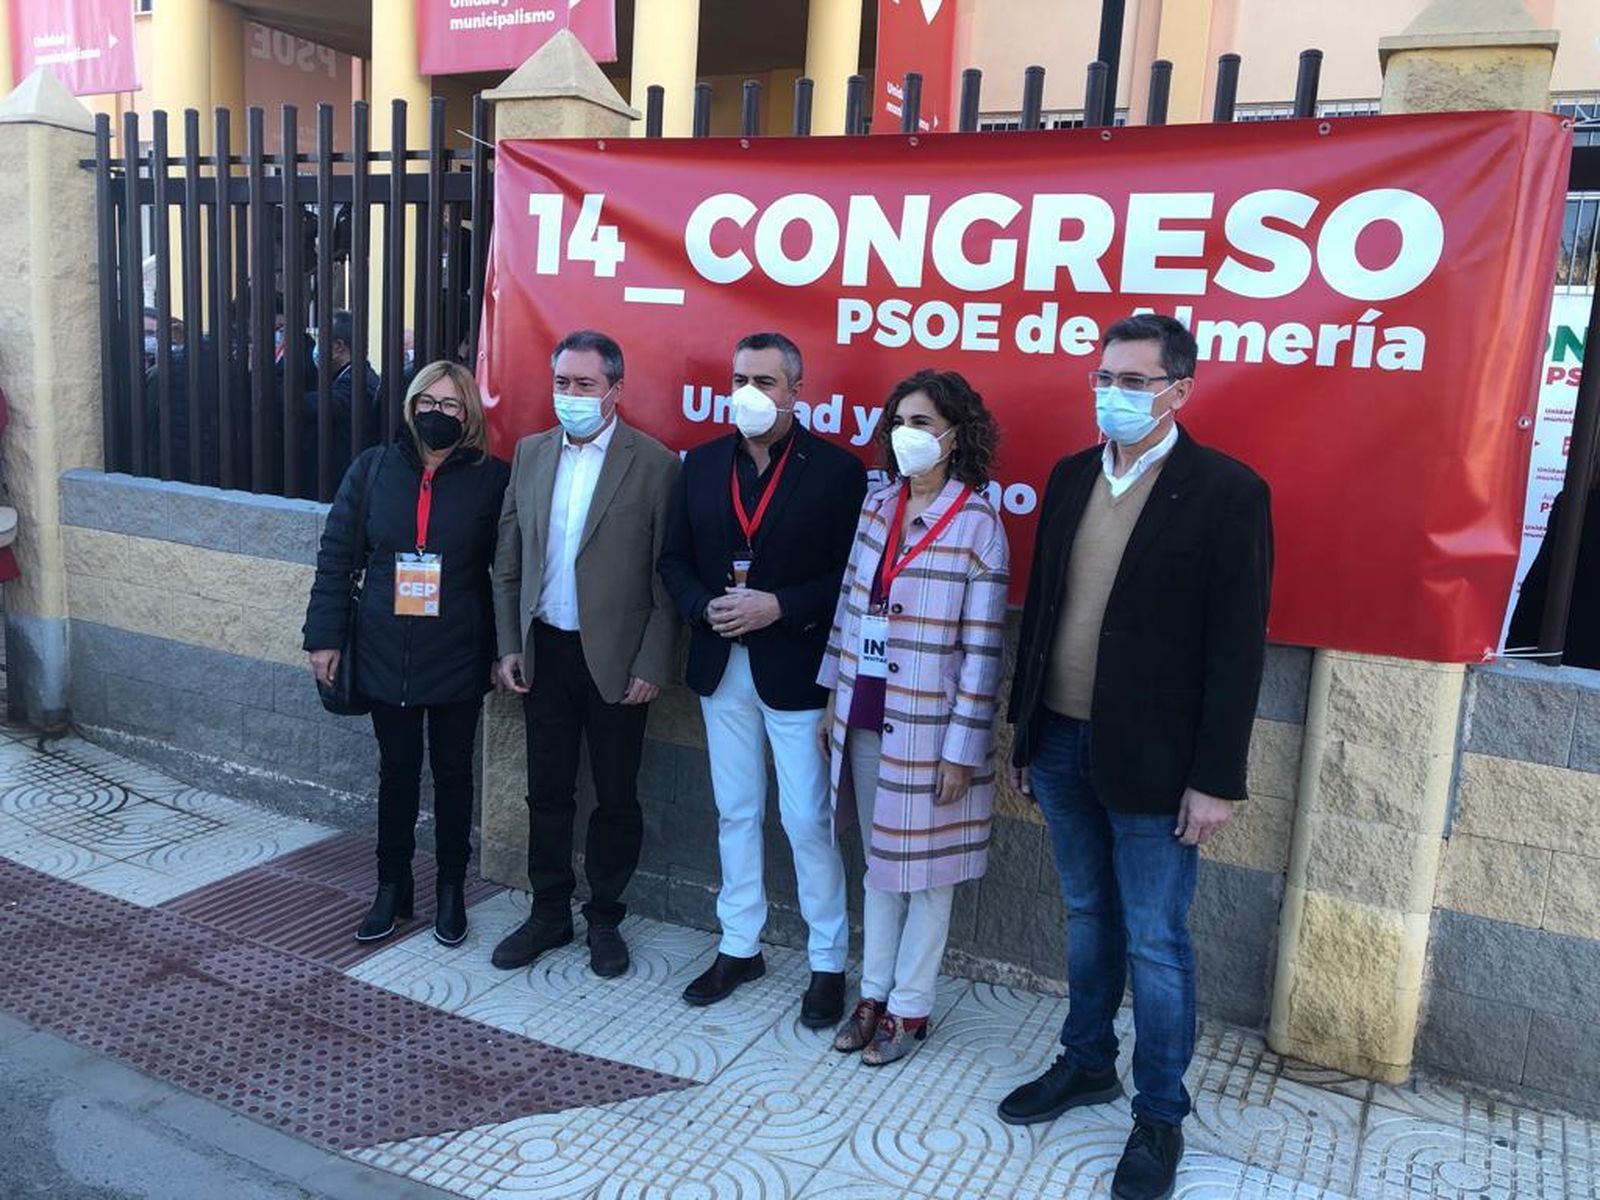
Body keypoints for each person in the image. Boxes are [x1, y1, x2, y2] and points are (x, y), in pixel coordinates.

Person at [1000, 314, 1273, 1200]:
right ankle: (1086, 1062)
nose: (1111, 394)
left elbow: (1238, 650)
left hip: (1159, 764)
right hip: (1065, 739)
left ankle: (1159, 1114)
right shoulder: (1073, 475)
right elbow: (1041, 615)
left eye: (1134, 380)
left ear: (1180, 392)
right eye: (1104, 377)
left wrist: (1216, 779)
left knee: (1157, 942)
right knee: (1086, 916)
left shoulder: (1229, 492)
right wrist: (1024, 733)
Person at [659, 332, 865, 1026]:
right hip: (723, 665)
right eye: (740, 377)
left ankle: (828, 961)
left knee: (807, 819)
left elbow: (849, 577)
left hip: (796, 666)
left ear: (796, 392)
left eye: (766, 381)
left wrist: (780, 604)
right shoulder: (702, 464)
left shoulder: (838, 472)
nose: (749, 392)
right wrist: (700, 606)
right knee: (736, 812)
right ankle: (740, 944)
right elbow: (674, 557)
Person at [819, 370, 1009, 1066]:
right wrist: (833, 696)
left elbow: (984, 652)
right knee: (879, 865)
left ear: (956, 435)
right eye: (900, 421)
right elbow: (848, 604)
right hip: (866, 710)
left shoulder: (979, 525)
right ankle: (872, 993)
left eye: (923, 423)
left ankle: (911, 1006)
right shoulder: (877, 508)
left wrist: (962, 751)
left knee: (927, 874)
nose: (908, 436)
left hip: (931, 730)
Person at [489, 331, 681, 979]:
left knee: (616, 796)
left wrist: (653, 663)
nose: (571, 397)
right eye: (562, 384)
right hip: (545, 653)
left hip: (618, 663)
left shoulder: (654, 464)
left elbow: (665, 577)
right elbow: (509, 560)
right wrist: (509, 645)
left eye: (585, 385)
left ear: (615, 390)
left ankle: (604, 917)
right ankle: (548, 912)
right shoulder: (531, 453)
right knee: (547, 791)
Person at [303, 361, 510, 946]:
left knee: (452, 775)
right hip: (383, 646)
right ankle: (391, 889)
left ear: (467, 413)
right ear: (410, 405)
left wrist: (501, 651)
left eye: (450, 405)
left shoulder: (493, 479)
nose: (437, 414)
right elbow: (337, 556)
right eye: (428, 402)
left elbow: (506, 575)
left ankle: (450, 891)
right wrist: (323, 637)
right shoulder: (372, 470)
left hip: (458, 651)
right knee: (396, 774)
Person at [1507, 481, 1600, 669]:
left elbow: (1537, 588)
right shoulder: (1576, 504)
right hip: (1567, 658)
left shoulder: (1576, 503)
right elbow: (1539, 586)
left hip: (1565, 659)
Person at [303, 309, 382, 496]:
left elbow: (317, 405)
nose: (316, 347)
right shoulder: (346, 376)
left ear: (338, 346)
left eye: (321, 340)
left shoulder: (357, 383)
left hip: (341, 486)